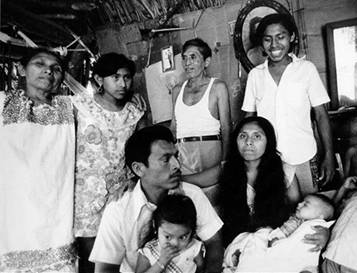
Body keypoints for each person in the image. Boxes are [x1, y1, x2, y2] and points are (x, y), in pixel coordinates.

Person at [89, 125, 223, 273]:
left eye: (176, 156)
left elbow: (214, 243)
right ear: (138, 169)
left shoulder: (191, 195)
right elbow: (105, 269)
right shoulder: (118, 209)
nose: (177, 165)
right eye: (166, 159)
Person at [183, 117, 328, 250]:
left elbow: (299, 214)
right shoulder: (226, 169)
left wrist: (324, 232)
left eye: (257, 136)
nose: (249, 142)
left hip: (274, 244)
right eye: (243, 136)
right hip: (236, 246)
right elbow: (186, 181)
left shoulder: (285, 171)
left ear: (268, 141)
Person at [241, 13, 335, 195]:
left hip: (304, 155)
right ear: (262, 43)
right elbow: (248, 118)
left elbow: (321, 115)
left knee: (310, 208)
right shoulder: (255, 75)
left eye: (280, 37)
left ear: (291, 37)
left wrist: (329, 155)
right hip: (269, 159)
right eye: (268, 39)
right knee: (278, 212)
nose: (274, 45)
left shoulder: (306, 69)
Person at [0, 48, 76, 271]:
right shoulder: (3, 103)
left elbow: (108, 110)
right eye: (39, 64)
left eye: (56, 68)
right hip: (14, 208)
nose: (48, 71)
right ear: (22, 69)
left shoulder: (70, 107)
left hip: (57, 208)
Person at [72, 52, 149, 273]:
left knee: (118, 254)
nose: (122, 83)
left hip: (120, 194)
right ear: (99, 80)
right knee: (89, 257)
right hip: (86, 195)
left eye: (126, 77)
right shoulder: (80, 107)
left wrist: (134, 181)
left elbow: (143, 151)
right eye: (115, 77)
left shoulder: (135, 113)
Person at [171, 38, 231, 204]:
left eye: (193, 57)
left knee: (214, 204)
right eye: (184, 58)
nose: (187, 63)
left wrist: (225, 162)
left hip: (211, 154)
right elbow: (173, 128)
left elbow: (226, 128)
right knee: (189, 205)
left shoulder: (217, 87)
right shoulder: (177, 90)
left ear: (206, 61)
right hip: (184, 155)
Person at [223, 194, 334, 273]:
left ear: (320, 217)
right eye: (302, 201)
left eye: (306, 204)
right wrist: (276, 240)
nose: (299, 204)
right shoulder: (295, 220)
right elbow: (282, 237)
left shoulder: (316, 227)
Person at [135, 194, 204, 273]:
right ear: (155, 226)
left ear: (192, 231)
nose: (175, 243)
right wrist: (161, 263)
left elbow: (201, 269)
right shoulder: (149, 251)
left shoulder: (194, 248)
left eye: (183, 237)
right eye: (167, 237)